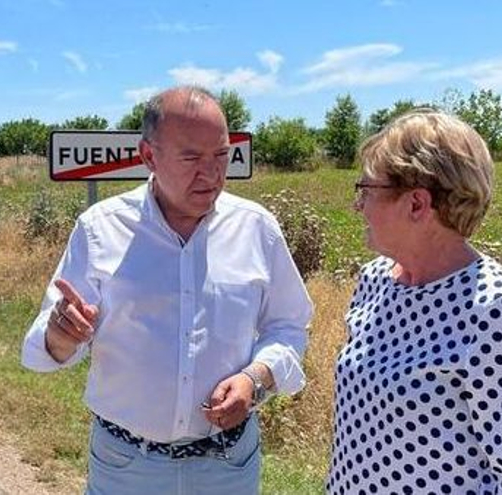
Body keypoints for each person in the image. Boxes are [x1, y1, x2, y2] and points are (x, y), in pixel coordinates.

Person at [21, 86, 313, 494]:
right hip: (125, 467)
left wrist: (255, 379)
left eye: (221, 156)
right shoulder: (100, 229)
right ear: (148, 157)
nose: (210, 174)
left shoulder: (257, 229)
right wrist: (60, 336)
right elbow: (40, 350)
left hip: (228, 467)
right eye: (192, 157)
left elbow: (290, 327)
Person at [327, 109, 502, 494]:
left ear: (416, 204)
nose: (358, 206)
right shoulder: (375, 280)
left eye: (366, 190)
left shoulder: (496, 311)